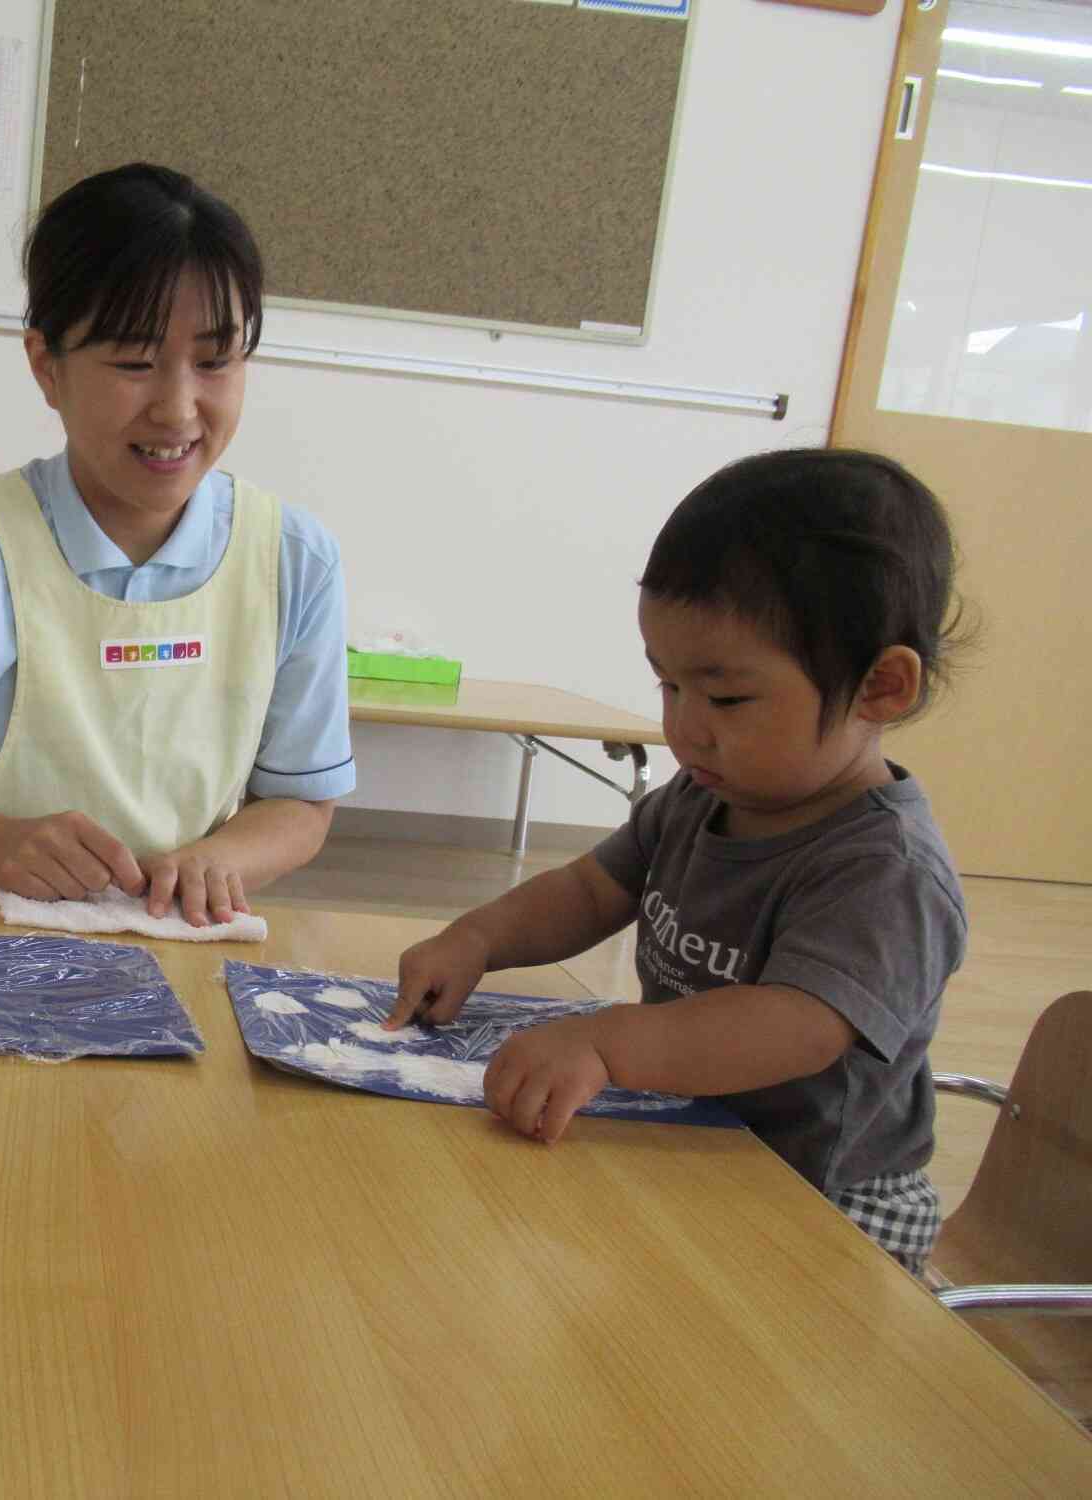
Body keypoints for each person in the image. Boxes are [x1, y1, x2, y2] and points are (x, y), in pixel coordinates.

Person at [384, 449, 969, 1273]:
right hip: (703, 1135)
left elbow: (797, 1026)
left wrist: (611, 1042)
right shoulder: (705, 795)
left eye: (726, 697)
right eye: (668, 686)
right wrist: (480, 937)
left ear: (880, 688)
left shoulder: (885, 868)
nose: (685, 728)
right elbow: (591, 888)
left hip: (825, 1198)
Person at [0, 162, 354, 926]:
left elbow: (301, 798)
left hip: (182, 946)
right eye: (134, 363)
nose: (178, 407)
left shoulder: (293, 559)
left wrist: (218, 859)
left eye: (215, 361)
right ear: (46, 367)